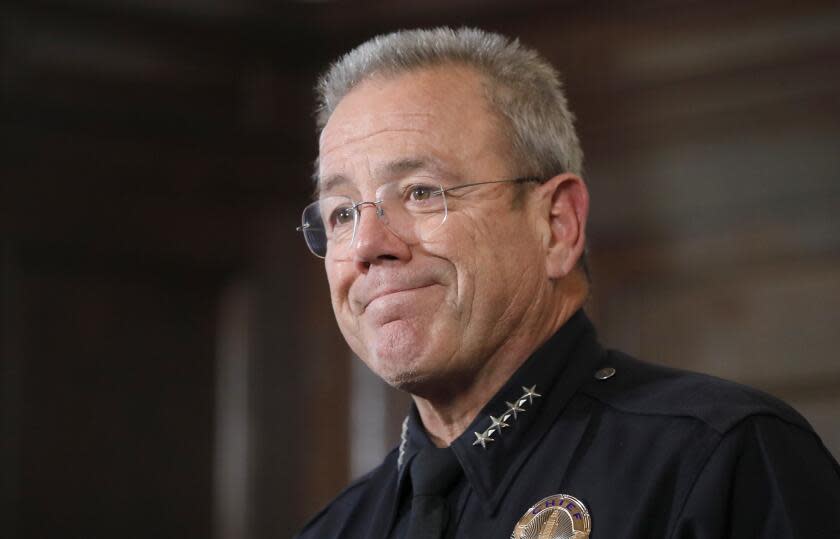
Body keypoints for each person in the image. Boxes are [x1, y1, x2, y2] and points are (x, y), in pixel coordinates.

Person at [293, 27, 840, 539]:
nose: (367, 245)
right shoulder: (337, 529)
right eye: (342, 213)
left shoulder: (722, 459)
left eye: (419, 192)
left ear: (557, 225)